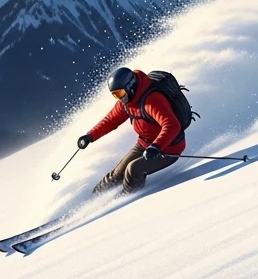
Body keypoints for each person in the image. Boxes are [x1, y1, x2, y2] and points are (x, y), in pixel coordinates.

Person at [77, 67, 186, 195]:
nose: (120, 98)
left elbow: (172, 125)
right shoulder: (127, 102)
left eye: (121, 93)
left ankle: (127, 201)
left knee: (133, 170)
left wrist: (156, 146)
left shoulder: (152, 100)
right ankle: (92, 199)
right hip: (145, 144)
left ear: (131, 86)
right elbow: (111, 120)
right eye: (115, 95)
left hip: (168, 148)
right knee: (116, 175)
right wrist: (90, 136)